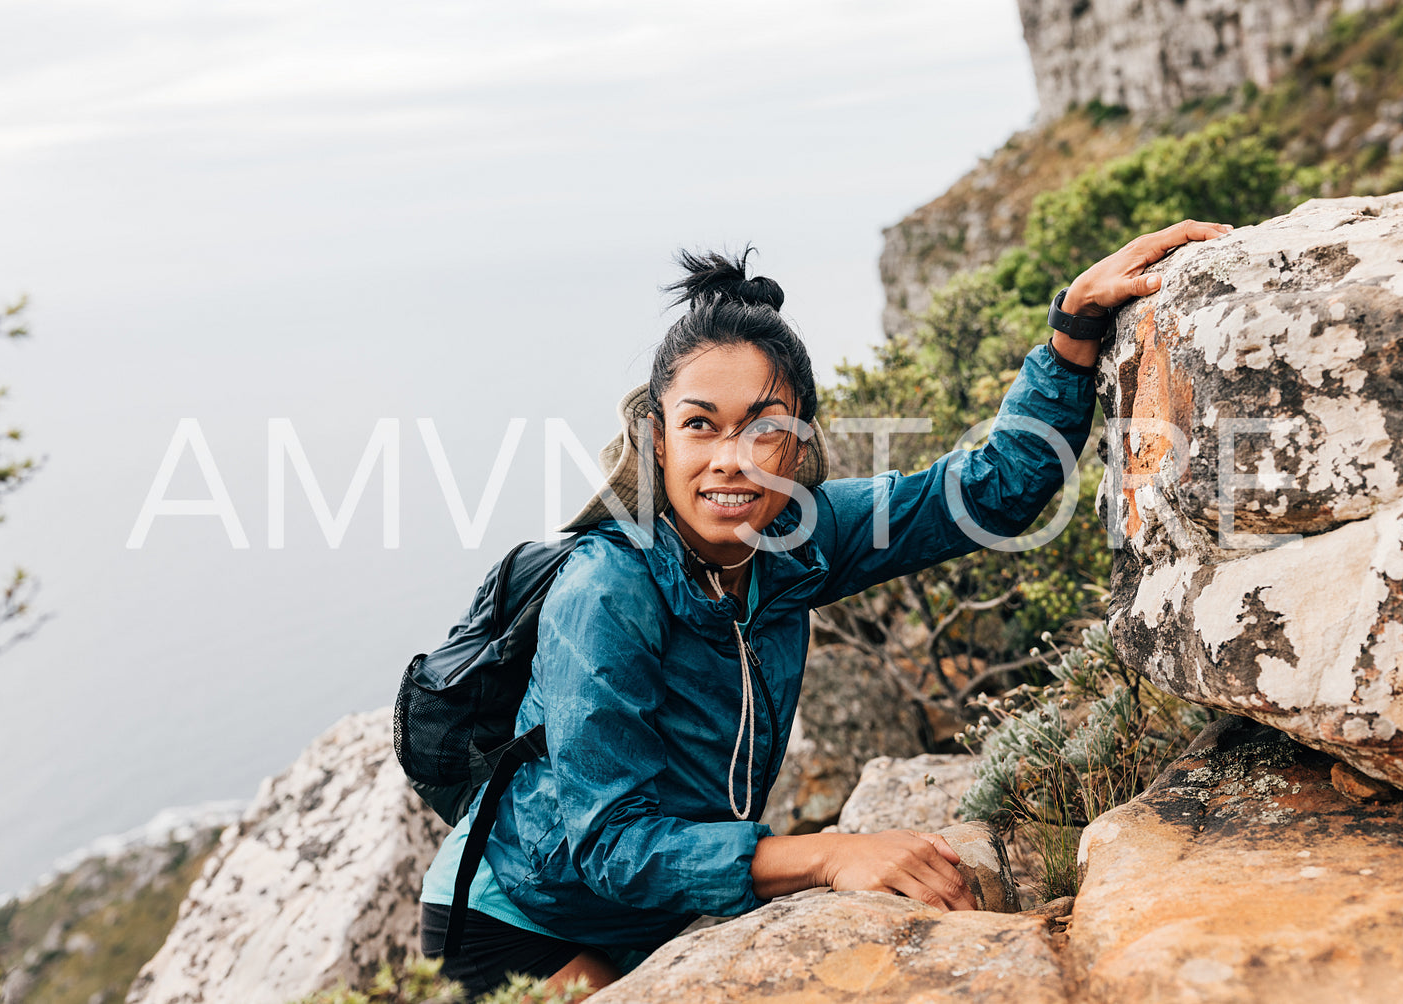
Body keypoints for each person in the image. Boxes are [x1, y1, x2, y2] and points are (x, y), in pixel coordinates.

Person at [418, 220, 1233, 997]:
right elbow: (611, 844)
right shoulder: (608, 587)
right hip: (523, 916)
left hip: (665, 907)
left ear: (799, 440)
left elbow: (994, 491)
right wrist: (829, 854)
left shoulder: (799, 537)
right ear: (658, 438)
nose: (730, 461)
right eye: (699, 426)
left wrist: (1070, 333)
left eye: (762, 428)